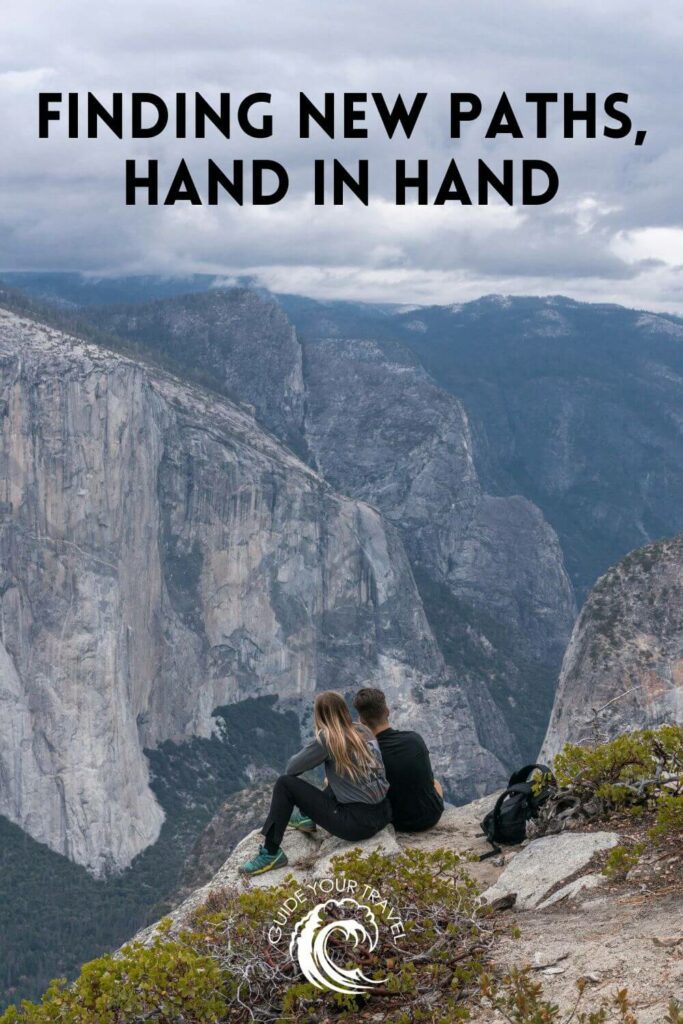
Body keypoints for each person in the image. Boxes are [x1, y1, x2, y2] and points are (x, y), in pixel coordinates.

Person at [239, 690, 392, 876]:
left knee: (284, 784)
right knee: (339, 776)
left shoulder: (329, 739)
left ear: (319, 715)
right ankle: (306, 818)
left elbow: (292, 769)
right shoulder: (364, 730)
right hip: (383, 813)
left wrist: (319, 739)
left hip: (356, 825)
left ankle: (271, 852)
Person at [353, 687, 444, 833]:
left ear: (362, 721)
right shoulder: (415, 739)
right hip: (433, 815)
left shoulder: (367, 754)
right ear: (387, 711)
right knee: (436, 783)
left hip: (400, 824)